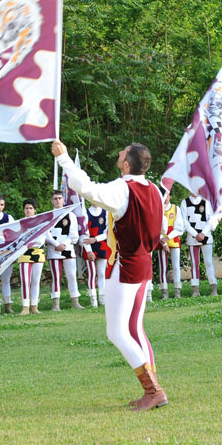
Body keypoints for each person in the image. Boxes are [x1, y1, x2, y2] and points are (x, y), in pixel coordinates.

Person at [53, 140, 167, 411]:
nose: (119, 152)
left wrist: (64, 159)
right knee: (134, 329)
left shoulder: (122, 188)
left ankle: (153, 390)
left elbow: (87, 189)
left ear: (127, 163)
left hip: (125, 265)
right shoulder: (155, 190)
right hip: (143, 262)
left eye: (123, 152)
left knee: (116, 331)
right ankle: (154, 388)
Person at [46, 191, 81, 310]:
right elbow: (46, 234)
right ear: (52, 201)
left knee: (71, 276)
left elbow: (73, 234)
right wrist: (56, 244)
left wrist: (63, 244)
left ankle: (75, 301)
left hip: (68, 250)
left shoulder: (70, 215)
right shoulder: (48, 216)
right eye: (55, 198)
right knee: (56, 277)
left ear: (63, 200)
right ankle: (56, 304)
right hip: (54, 250)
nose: (57, 200)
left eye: (59, 198)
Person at [180, 193, 221, 296]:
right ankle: (195, 289)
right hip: (192, 237)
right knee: (194, 263)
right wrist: (195, 234)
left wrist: (203, 233)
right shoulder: (185, 202)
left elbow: (211, 219)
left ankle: (213, 287)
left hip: (206, 236)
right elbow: (184, 221)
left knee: (208, 262)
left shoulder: (206, 201)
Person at [17, 199, 45, 315]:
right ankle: (25, 306)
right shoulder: (19, 223)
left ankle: (34, 305)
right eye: (26, 208)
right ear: (24, 210)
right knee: (25, 280)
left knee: (35, 280)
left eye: (31, 208)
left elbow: (42, 238)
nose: (28, 210)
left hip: (38, 252)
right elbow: (18, 238)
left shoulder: (41, 222)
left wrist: (30, 242)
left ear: (34, 210)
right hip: (24, 253)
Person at [158, 186, 186, 299]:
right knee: (162, 267)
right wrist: (163, 242)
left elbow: (180, 228)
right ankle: (164, 292)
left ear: (171, 196)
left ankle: (177, 291)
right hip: (160, 242)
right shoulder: (157, 209)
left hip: (173, 241)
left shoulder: (176, 208)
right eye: (163, 195)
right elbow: (155, 227)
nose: (166, 198)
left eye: (168, 195)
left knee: (176, 266)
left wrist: (168, 238)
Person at [81, 204, 112, 307]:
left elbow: (108, 231)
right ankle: (93, 300)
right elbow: (83, 232)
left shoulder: (106, 212)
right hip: (89, 246)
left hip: (101, 244)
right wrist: (88, 250)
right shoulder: (85, 212)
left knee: (102, 273)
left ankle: (102, 299)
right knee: (92, 273)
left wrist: (96, 239)